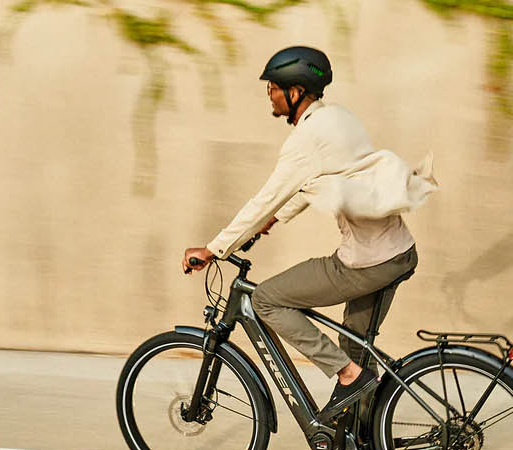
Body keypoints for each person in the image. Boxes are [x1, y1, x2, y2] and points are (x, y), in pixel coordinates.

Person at [182, 46, 435, 427]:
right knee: (355, 345)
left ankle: (347, 376)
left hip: (366, 261)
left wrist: (215, 248)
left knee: (267, 300)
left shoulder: (306, 139)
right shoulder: (337, 118)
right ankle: (363, 438)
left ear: (296, 91)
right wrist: (274, 220)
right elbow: (322, 179)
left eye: (273, 87)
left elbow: (266, 197)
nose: (269, 93)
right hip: (397, 251)